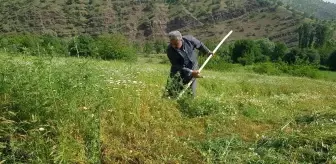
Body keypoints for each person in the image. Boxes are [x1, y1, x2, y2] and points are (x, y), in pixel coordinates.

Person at [164, 30, 212, 99]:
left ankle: (188, 101)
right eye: (172, 44)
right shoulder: (170, 50)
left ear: (181, 40)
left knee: (191, 91)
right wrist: (190, 72)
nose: (174, 46)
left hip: (193, 66)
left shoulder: (190, 40)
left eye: (176, 44)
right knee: (172, 88)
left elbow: (200, 45)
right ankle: (169, 101)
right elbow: (177, 66)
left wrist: (207, 52)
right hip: (178, 69)